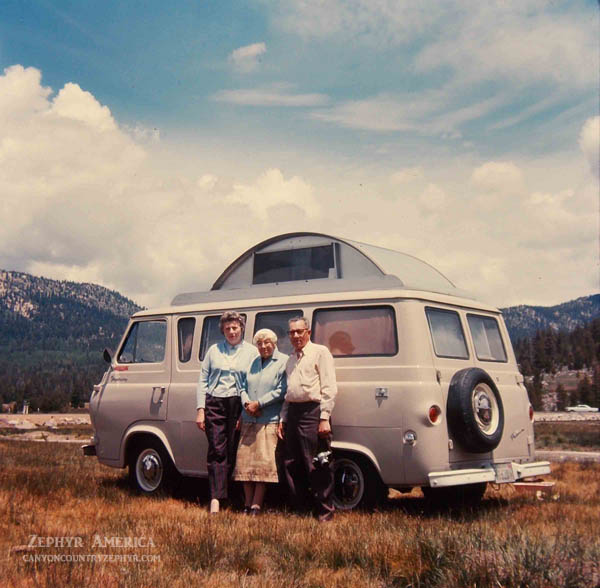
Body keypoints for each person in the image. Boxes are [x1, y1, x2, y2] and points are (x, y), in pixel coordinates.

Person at [196, 311, 258, 514]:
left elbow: (254, 382)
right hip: (215, 402)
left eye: (235, 328)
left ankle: (232, 495)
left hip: (238, 404)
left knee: (234, 450)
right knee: (217, 449)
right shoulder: (214, 350)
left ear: (242, 328)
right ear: (222, 330)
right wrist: (200, 409)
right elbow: (203, 381)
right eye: (228, 328)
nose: (231, 332)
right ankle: (215, 499)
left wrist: (244, 412)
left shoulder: (251, 352)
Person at [277, 317, 338, 522]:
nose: (295, 336)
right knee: (292, 463)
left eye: (299, 331)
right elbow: (289, 393)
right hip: (294, 413)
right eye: (291, 332)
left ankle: (325, 512)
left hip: (313, 412)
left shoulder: (320, 353)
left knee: (318, 462)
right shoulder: (290, 359)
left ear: (308, 333)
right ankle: (300, 509)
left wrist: (324, 418)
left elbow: (329, 387)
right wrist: (283, 419)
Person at [233, 328, 288, 515]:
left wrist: (260, 404)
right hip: (249, 418)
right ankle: (247, 505)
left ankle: (257, 505)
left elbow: (282, 390)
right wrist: (247, 404)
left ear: (274, 343)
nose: (263, 346)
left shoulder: (283, 362)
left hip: (268, 419)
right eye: (260, 343)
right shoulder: (253, 362)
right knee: (245, 465)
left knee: (263, 466)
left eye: (267, 343)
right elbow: (241, 387)